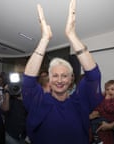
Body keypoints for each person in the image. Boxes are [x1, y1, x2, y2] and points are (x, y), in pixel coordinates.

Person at [22, 0, 103, 144]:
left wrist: (71, 35)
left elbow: (93, 75)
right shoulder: (39, 102)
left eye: (64, 75)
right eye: (55, 75)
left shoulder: (80, 102)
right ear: (49, 79)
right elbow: (28, 79)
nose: (59, 80)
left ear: (71, 78)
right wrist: (44, 39)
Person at [89, 80, 114, 144]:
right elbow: (100, 107)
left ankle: (97, 139)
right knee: (93, 125)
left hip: (107, 121)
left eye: (112, 89)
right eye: (107, 89)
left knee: (94, 124)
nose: (109, 91)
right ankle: (95, 138)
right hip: (102, 119)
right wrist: (96, 110)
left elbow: (109, 109)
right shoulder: (106, 99)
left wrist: (106, 99)